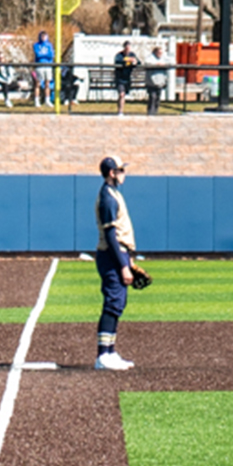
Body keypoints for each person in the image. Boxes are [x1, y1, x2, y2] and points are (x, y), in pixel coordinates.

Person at [92, 156, 146, 371]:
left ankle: (110, 352)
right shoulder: (107, 197)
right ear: (112, 173)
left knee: (118, 304)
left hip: (118, 255)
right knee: (113, 303)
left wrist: (128, 260)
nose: (124, 173)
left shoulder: (114, 194)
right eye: (121, 170)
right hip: (111, 256)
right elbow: (111, 235)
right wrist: (123, 265)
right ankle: (102, 356)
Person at [113, 42, 139, 117]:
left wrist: (135, 62)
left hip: (127, 78)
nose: (128, 49)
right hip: (120, 78)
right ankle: (120, 111)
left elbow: (138, 62)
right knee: (122, 94)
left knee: (123, 95)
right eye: (126, 48)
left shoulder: (132, 55)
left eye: (129, 48)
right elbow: (118, 61)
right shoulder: (119, 55)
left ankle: (120, 109)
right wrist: (128, 60)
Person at [32, 30, 55, 106]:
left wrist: (44, 54)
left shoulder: (49, 45)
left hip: (48, 65)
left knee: (47, 84)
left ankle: (47, 100)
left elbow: (51, 55)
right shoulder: (36, 45)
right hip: (39, 66)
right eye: (42, 36)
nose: (43, 37)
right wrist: (45, 54)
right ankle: (36, 100)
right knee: (38, 83)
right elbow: (38, 54)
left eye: (45, 36)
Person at [143, 45, 168, 116]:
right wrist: (156, 64)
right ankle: (150, 112)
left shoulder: (164, 58)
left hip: (160, 81)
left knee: (158, 97)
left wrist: (164, 64)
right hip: (151, 81)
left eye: (161, 53)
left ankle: (156, 112)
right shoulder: (150, 58)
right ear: (155, 52)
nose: (160, 54)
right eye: (159, 53)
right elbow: (147, 63)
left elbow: (171, 62)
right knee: (152, 96)